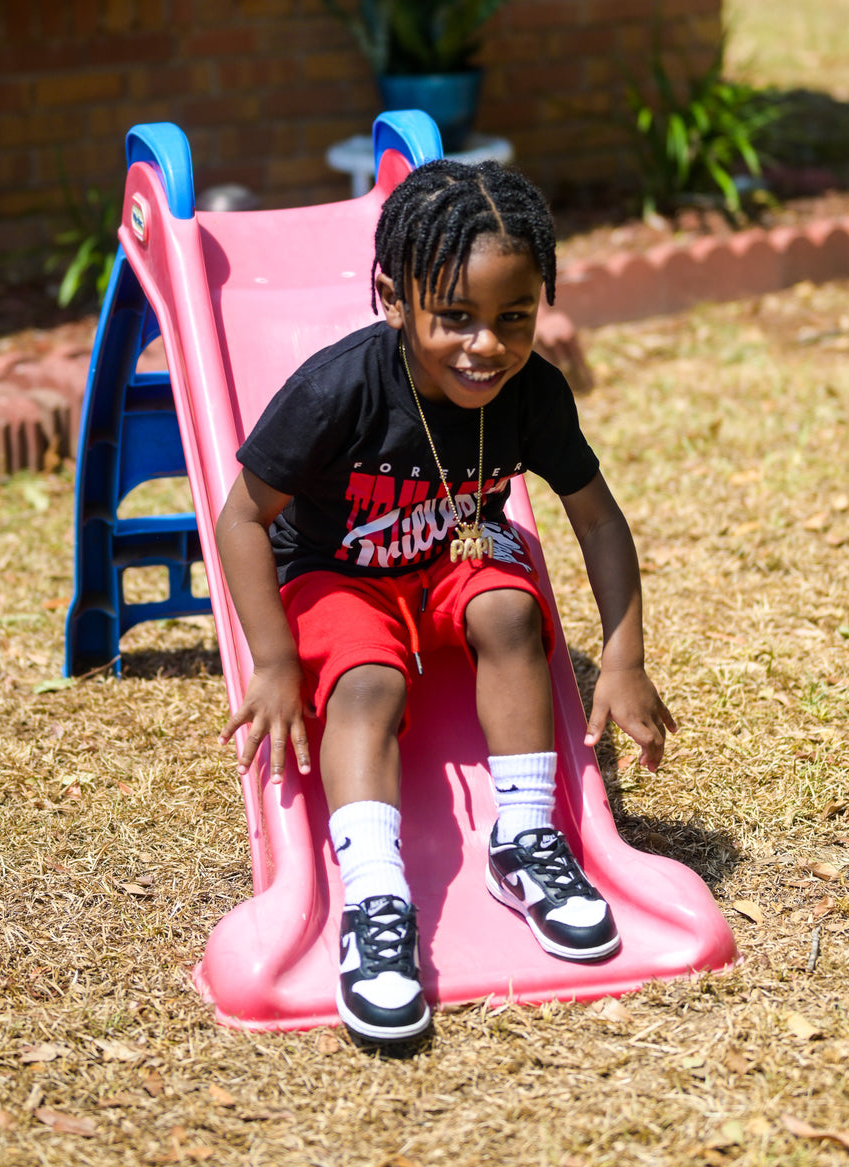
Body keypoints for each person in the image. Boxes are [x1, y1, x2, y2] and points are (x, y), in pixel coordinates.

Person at [215, 159, 676, 1044]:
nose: (486, 346)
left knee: (512, 613)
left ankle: (526, 840)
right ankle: (377, 903)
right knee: (367, 687)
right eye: (454, 318)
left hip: (454, 554)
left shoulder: (531, 391)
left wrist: (624, 660)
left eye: (514, 317)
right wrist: (275, 663)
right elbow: (242, 517)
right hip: (336, 569)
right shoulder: (334, 391)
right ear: (393, 297)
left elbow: (599, 518)